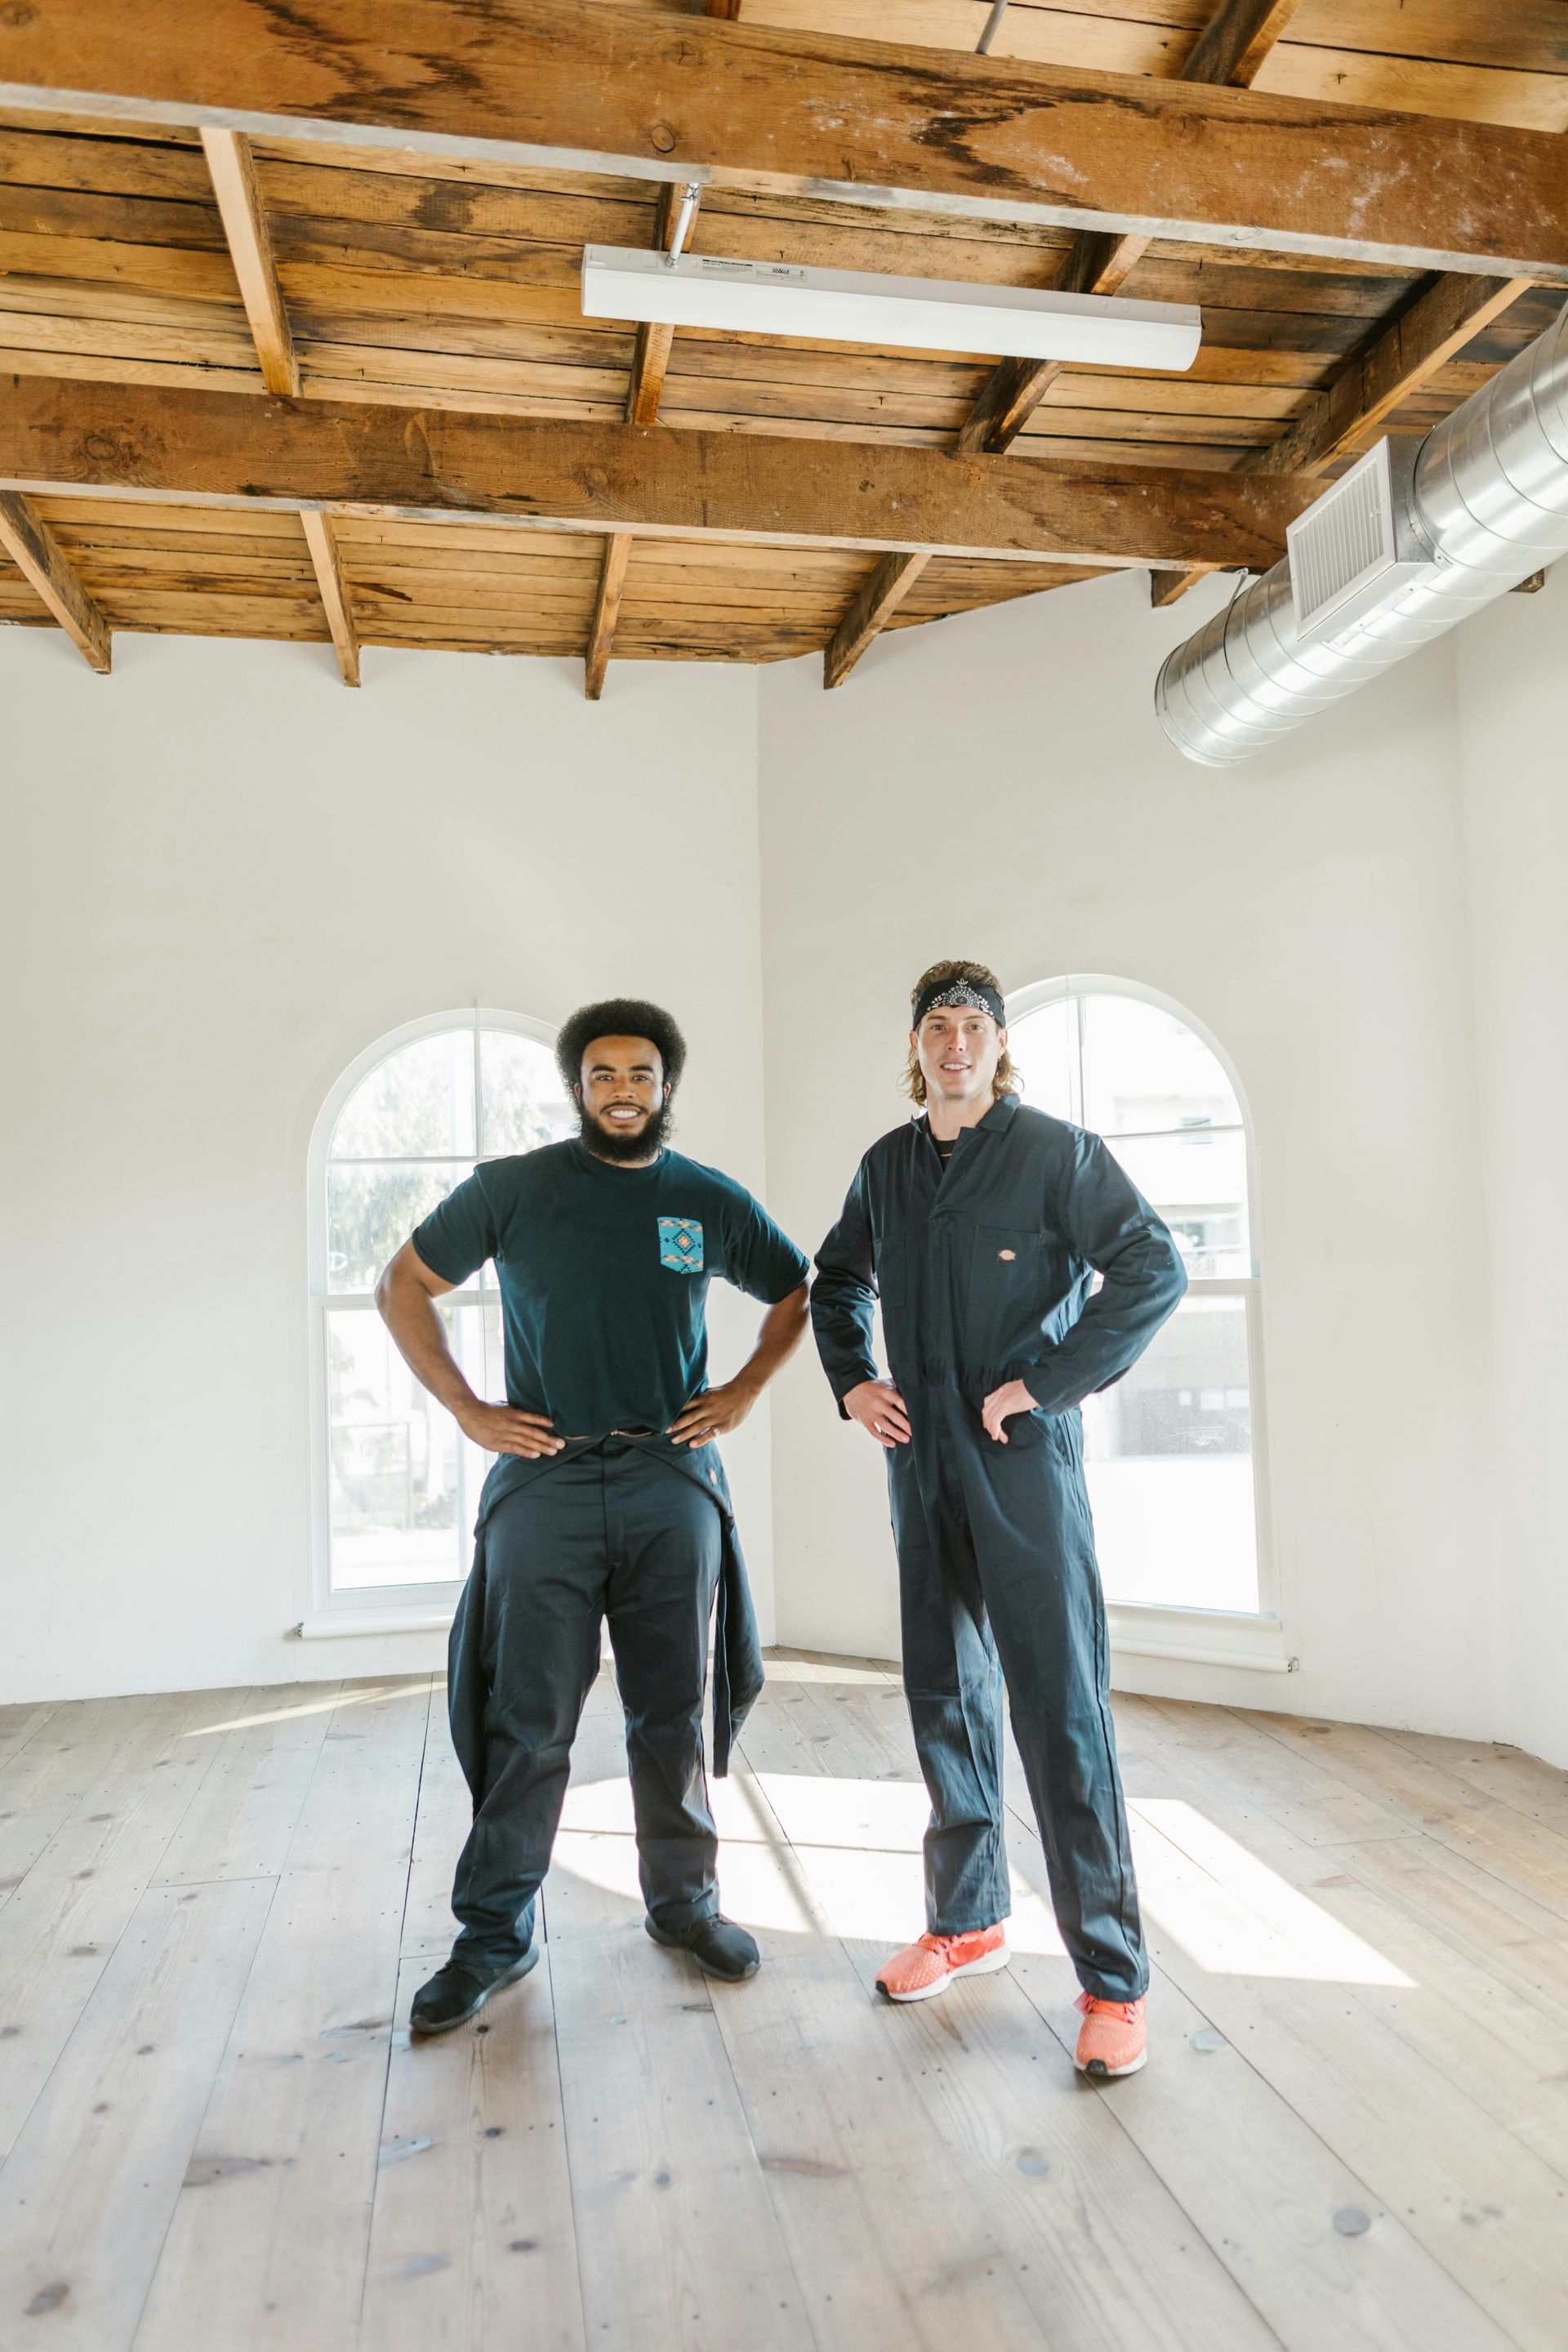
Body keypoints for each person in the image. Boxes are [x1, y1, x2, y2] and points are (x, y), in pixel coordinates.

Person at [376, 998, 809, 2034]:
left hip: (672, 1481)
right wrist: (470, 1410)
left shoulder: (704, 1199)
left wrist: (743, 1389)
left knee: (674, 1714)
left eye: (642, 1074)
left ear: (666, 1089)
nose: (623, 1089)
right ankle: (494, 1934)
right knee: (529, 1720)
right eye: (604, 1073)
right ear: (578, 1086)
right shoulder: (513, 1192)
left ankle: (685, 1907)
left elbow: (800, 1289)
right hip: (547, 1484)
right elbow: (403, 1285)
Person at [810, 960, 1187, 2079]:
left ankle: (1113, 1982)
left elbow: (1151, 1267)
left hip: (1022, 1466)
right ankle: (968, 1921)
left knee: (1059, 1709)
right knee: (946, 1697)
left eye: (974, 1024)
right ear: (917, 1046)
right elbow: (837, 1282)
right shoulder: (886, 1166)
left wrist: (1050, 1383)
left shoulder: (1057, 1154)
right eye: (937, 1025)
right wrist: (851, 1380)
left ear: (1000, 1043)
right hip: (920, 1466)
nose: (955, 1042)